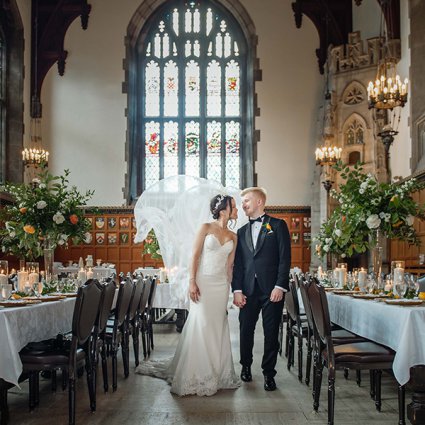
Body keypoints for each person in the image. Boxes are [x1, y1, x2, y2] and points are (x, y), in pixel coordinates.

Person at [136, 194, 241, 396]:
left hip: (220, 286)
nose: (236, 211)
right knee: (200, 324)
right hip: (202, 282)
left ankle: (217, 373)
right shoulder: (206, 228)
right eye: (234, 207)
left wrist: (231, 289)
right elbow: (194, 255)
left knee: (217, 326)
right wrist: (192, 281)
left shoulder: (234, 236)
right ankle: (196, 374)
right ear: (223, 210)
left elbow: (230, 267)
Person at [231, 187, 291, 391]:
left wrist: (280, 286)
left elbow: (285, 259)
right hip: (247, 290)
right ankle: (245, 366)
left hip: (271, 290)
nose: (243, 204)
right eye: (242, 201)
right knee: (245, 330)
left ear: (259, 202)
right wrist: (237, 290)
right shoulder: (241, 232)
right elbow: (238, 264)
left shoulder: (278, 225)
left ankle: (269, 374)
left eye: (247, 200)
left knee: (271, 333)